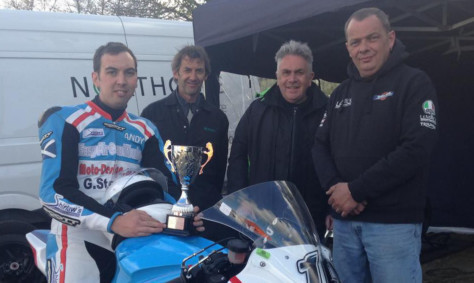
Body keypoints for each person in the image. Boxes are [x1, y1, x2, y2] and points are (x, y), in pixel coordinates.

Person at [38, 42, 203, 283]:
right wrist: (113, 221)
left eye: (129, 72)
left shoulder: (145, 128)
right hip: (78, 232)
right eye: (112, 72)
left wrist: (183, 212)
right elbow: (53, 194)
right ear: (96, 78)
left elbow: (164, 186)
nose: (121, 80)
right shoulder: (66, 119)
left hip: (131, 229)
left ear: (136, 79)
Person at [312, 7, 438, 283]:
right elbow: (319, 146)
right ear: (348, 48)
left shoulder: (414, 83)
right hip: (345, 225)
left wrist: (355, 191)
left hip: (394, 225)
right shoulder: (340, 93)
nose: (364, 48)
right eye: (356, 42)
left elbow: (416, 148)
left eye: (372, 38)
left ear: (390, 39)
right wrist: (337, 189)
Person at [227, 40, 329, 239]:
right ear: (277, 76)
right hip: (263, 216)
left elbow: (340, 161)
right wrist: (240, 199)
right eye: (286, 72)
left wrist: (332, 208)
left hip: (311, 219)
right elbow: (238, 155)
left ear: (310, 77)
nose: (292, 79)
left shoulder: (329, 112)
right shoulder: (257, 110)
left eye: (299, 72)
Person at [141, 45, 229, 240]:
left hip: (204, 216)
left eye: (199, 70)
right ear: (176, 73)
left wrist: (201, 208)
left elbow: (217, 173)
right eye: (187, 70)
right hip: (164, 213)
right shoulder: (151, 114)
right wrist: (170, 204)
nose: (193, 76)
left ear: (206, 75)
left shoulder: (218, 118)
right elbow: (149, 168)